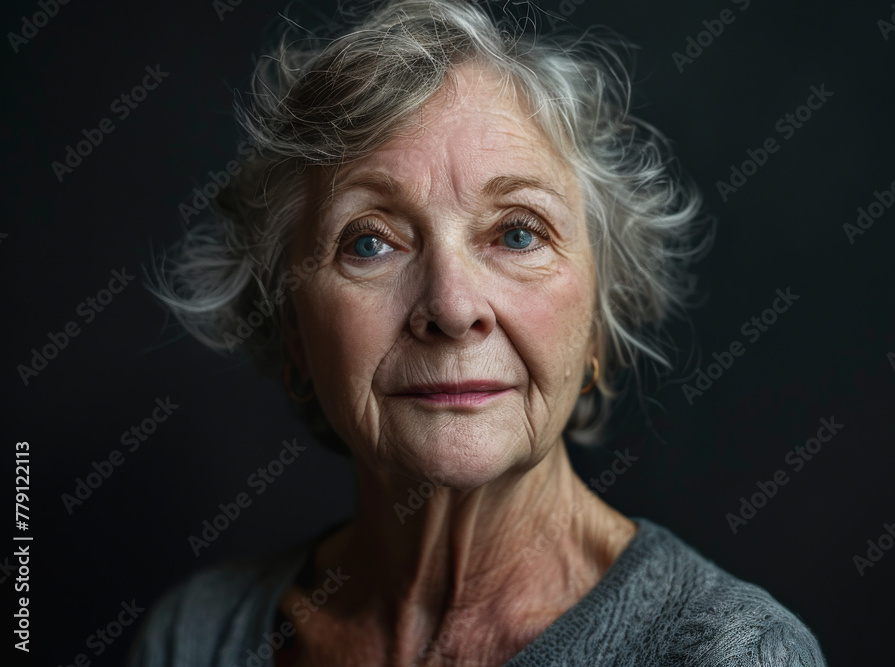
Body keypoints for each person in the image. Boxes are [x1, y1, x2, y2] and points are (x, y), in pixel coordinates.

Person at [131, 0, 826, 664]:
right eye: (370, 242)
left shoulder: (726, 654)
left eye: (518, 233)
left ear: (596, 324)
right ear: (292, 333)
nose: (453, 306)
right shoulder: (195, 637)